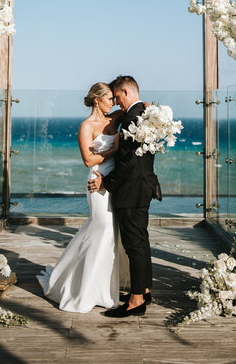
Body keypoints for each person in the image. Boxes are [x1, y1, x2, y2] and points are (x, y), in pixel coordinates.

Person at [36, 82, 129, 313]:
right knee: (102, 228)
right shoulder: (86, 126)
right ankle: (79, 286)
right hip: (96, 182)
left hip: (115, 181)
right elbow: (88, 160)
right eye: (109, 98)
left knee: (110, 233)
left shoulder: (114, 118)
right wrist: (114, 149)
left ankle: (103, 288)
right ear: (97, 100)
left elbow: (140, 107)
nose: (113, 101)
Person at [88, 75, 158, 318]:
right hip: (144, 186)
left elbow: (128, 163)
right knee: (141, 240)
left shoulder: (133, 118)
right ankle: (144, 288)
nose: (116, 102)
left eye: (117, 97)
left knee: (134, 245)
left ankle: (136, 300)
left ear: (126, 92)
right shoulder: (147, 113)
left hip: (131, 189)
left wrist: (105, 182)